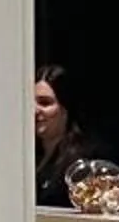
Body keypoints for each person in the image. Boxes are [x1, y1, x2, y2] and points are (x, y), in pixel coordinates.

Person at [35, 64, 99, 206]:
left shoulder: (83, 163)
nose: (35, 110)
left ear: (66, 108)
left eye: (45, 103)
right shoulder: (27, 156)